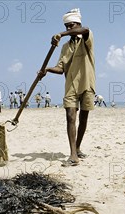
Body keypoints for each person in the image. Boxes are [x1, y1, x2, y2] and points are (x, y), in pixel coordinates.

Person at [38, 8, 95, 167]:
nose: (69, 29)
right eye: (67, 26)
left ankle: (77, 148)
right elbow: (61, 68)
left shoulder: (87, 38)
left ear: (78, 24)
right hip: (70, 85)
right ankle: (73, 155)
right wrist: (47, 70)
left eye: (72, 26)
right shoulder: (64, 48)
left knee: (83, 118)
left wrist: (61, 34)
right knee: (71, 117)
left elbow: (85, 30)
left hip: (87, 83)